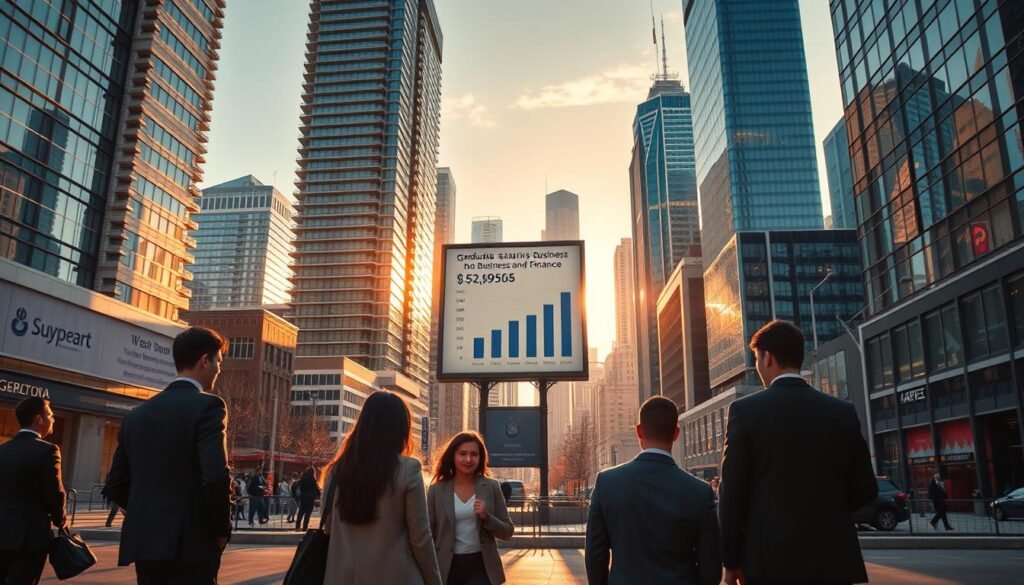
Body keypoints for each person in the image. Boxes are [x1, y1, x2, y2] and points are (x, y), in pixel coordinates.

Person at [719, 320, 877, 585]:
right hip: (833, 559)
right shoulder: (841, 412)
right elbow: (866, 487)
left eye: (756, 359)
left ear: (767, 357)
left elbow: (732, 496)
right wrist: (827, 510)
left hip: (768, 562)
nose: (758, 367)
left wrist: (730, 563)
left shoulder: (745, 412)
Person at [103, 327, 233, 585]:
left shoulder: (136, 416)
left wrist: (149, 512)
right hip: (191, 543)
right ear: (204, 360)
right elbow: (216, 477)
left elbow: (115, 485)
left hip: (146, 542)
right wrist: (221, 530)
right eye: (218, 361)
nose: (219, 368)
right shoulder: (209, 407)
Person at [585, 396, 721, 585]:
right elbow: (711, 568)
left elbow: (595, 556)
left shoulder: (606, 483)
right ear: (676, 433)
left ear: (639, 431)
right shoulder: (700, 492)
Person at [323, 391, 442, 585]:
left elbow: (328, 527)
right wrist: (434, 580)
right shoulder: (408, 469)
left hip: (343, 577)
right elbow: (420, 537)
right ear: (400, 428)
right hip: (396, 576)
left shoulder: (337, 471)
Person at [428, 432, 514, 585]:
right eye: (463, 454)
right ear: (453, 456)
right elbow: (428, 533)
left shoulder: (491, 486)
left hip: (482, 567)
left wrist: (487, 517)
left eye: (474, 454)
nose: (468, 459)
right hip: (447, 567)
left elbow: (507, 531)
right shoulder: (436, 490)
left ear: (480, 458)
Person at [0, 397, 68, 584]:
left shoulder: (3, 450)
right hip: (30, 537)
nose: (53, 419)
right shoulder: (48, 451)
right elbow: (55, 493)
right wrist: (60, 520)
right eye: (50, 415)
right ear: (38, 419)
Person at [294, 467, 320, 531]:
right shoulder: (312, 479)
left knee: (301, 512)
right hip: (310, 499)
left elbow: (297, 485)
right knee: (307, 514)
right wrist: (319, 494)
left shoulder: (303, 478)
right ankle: (304, 528)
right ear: (313, 472)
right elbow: (316, 488)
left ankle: (297, 527)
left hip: (303, 498)